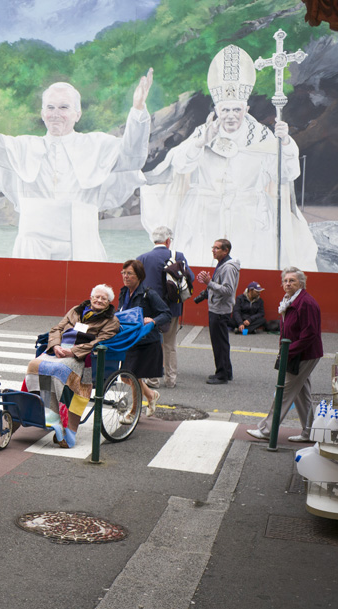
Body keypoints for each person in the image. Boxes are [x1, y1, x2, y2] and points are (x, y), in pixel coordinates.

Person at [141, 44, 318, 271]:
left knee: (249, 269)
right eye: (225, 110)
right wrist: (200, 142)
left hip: (249, 216)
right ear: (217, 108)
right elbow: (179, 164)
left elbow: (287, 173)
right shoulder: (204, 132)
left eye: (236, 109)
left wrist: (285, 143)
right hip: (204, 214)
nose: (231, 116)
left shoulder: (263, 136)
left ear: (246, 108)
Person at [0, 65, 153, 261]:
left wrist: (137, 110)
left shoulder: (96, 145)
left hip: (81, 240)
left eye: (64, 107)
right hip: (33, 242)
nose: (55, 113)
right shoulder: (24, 146)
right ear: (42, 113)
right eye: (50, 107)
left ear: (77, 114)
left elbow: (131, 156)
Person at [25, 284, 120, 448]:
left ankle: (57, 418)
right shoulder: (76, 310)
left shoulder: (111, 320)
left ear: (109, 302)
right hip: (60, 349)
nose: (99, 300)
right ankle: (46, 412)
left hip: (82, 357)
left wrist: (73, 351)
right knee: (34, 364)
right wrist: (55, 346)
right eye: (96, 296)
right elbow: (57, 328)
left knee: (59, 370)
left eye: (103, 298)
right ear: (90, 298)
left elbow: (100, 341)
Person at [246, 268, 323, 443]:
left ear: (301, 283)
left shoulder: (306, 303)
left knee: (285, 390)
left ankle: (267, 430)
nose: (288, 283)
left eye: (292, 281)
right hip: (297, 352)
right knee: (301, 394)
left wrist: (289, 351)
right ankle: (309, 432)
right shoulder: (290, 300)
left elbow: (310, 334)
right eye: (286, 280)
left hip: (303, 354)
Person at [137, 225, 193, 388]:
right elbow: (191, 278)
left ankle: (153, 379)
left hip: (150, 310)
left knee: (153, 343)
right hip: (171, 307)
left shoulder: (142, 258)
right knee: (170, 344)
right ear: (168, 241)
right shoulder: (178, 256)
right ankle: (171, 379)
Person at [116, 259, 171, 418]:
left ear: (139, 276)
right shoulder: (124, 292)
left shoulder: (148, 293)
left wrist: (153, 321)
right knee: (126, 377)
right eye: (123, 273)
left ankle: (134, 412)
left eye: (129, 274)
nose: (125, 276)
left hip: (145, 341)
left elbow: (166, 313)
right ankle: (151, 395)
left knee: (133, 376)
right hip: (129, 340)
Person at [197, 238, 240, 384]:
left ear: (225, 250)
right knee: (222, 342)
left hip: (220, 311)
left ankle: (221, 375)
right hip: (219, 308)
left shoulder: (228, 268)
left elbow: (228, 290)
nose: (213, 250)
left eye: (217, 248)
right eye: (213, 247)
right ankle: (226, 372)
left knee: (219, 343)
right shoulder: (223, 264)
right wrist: (209, 283)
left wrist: (209, 283)